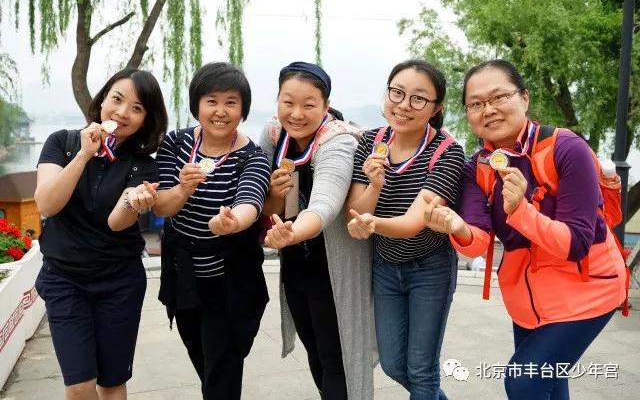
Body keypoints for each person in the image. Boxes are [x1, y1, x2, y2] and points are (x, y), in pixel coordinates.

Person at [423, 59, 628, 399]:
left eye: (499, 97)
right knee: (549, 383)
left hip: (588, 292)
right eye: (476, 103)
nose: (488, 109)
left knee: (524, 381)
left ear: (525, 97)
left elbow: (576, 243)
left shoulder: (566, 148)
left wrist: (520, 210)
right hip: (527, 302)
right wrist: (456, 227)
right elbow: (478, 242)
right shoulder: (477, 167)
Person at [34, 68, 168, 399]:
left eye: (136, 108)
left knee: (112, 383)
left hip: (119, 282)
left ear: (145, 120)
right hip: (65, 279)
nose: (122, 112)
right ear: (103, 99)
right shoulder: (62, 143)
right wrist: (83, 155)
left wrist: (135, 201)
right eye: (117, 99)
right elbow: (47, 204)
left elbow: (116, 222)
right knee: (79, 386)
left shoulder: (143, 164)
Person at [346, 59, 465, 400]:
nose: (403, 105)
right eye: (397, 93)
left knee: (421, 370)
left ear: (436, 108)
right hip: (386, 267)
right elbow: (356, 210)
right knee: (393, 364)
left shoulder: (447, 153)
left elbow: (414, 223)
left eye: (418, 98)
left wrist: (370, 224)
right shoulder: (370, 142)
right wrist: (375, 186)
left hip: (430, 268)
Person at [154, 62, 270, 399]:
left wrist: (233, 222)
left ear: (243, 109)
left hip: (230, 282)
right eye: (212, 101)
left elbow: (251, 199)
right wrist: (183, 189)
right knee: (204, 363)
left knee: (222, 370)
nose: (221, 111)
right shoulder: (175, 143)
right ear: (197, 105)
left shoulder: (252, 156)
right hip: (185, 277)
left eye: (231, 102)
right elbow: (162, 207)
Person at [260, 61, 376, 399]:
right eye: (288, 102)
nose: (296, 113)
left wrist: (292, 234)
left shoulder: (339, 141)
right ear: (277, 100)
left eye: (309, 105)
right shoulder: (275, 134)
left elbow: (326, 204)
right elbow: (262, 198)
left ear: (326, 106)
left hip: (334, 270)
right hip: (297, 266)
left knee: (338, 361)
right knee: (316, 354)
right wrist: (273, 195)